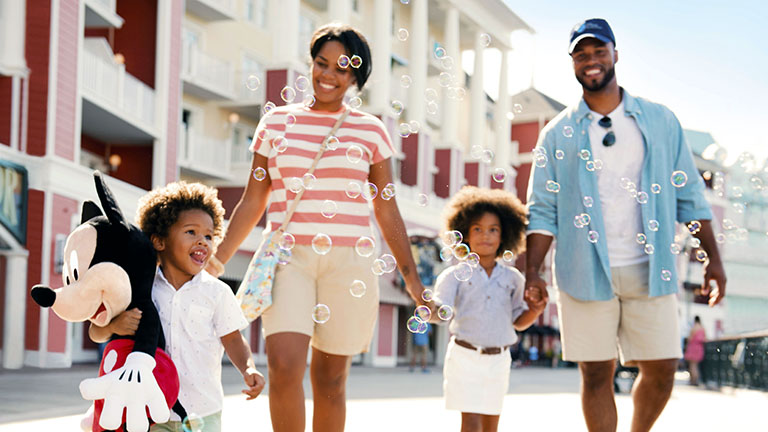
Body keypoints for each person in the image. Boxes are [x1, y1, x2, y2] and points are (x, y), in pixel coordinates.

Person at [205, 23, 425, 432]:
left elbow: (387, 209)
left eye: (341, 68)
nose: (328, 75)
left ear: (356, 76)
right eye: (321, 64)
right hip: (289, 259)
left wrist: (412, 280)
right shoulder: (275, 124)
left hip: (351, 264)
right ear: (310, 64)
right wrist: (215, 262)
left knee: (331, 380)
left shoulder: (371, 130)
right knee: (285, 367)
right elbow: (254, 200)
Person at [525, 18, 727, 432]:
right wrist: (533, 270)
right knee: (596, 375)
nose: (591, 61)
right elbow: (542, 210)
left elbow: (689, 194)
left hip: (651, 267)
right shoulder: (556, 134)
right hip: (584, 270)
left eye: (599, 51)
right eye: (581, 54)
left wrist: (713, 262)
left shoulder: (659, 120)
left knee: (664, 368)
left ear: (616, 54)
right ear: (572, 63)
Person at [91, 181, 266, 432]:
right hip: (152, 410)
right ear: (160, 241)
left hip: (204, 412)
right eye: (191, 232)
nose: (203, 241)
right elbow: (96, 332)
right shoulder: (141, 288)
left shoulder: (217, 292)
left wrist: (248, 368)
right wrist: (115, 324)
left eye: (208, 235)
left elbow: (233, 339)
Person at [433, 186, 547, 432]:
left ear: (505, 235)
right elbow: (442, 310)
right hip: (464, 356)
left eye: (493, 229)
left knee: (491, 421)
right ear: (463, 232)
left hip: (498, 359)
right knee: (470, 422)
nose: (486, 235)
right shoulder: (454, 276)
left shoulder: (514, 278)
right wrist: (429, 309)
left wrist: (535, 311)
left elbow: (518, 320)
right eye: (478, 229)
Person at [684, 316, 706, 386]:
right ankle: (696, 380)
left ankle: (693, 381)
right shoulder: (702, 328)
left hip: (693, 347)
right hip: (700, 347)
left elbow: (690, 339)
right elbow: (705, 338)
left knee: (692, 365)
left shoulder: (693, 328)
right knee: (696, 365)